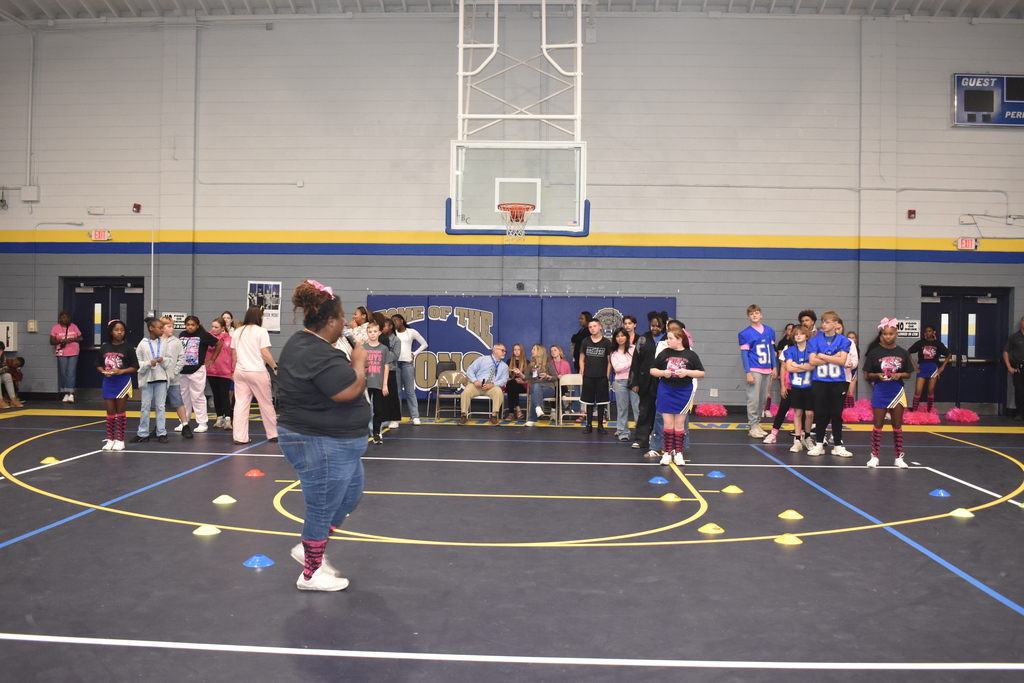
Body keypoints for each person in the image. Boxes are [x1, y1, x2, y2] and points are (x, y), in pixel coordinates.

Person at [277, 279, 369, 592]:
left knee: (350, 494)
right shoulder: (315, 352)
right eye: (342, 317)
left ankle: (309, 547)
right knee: (321, 505)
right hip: (319, 442)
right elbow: (348, 391)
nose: (346, 322)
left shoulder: (312, 346)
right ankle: (310, 573)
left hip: (334, 442)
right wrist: (359, 363)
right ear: (329, 322)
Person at [863, 318, 913, 468]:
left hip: (897, 391)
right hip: (880, 391)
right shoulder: (874, 353)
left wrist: (899, 375)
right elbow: (867, 374)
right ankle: (874, 456)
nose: (888, 336)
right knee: (878, 424)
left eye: (891, 334)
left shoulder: (902, 352)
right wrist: (877, 375)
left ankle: (898, 457)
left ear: (896, 334)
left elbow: (908, 374)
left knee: (897, 424)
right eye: (885, 334)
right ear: (881, 335)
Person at [651, 330, 705, 466]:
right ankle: (667, 453)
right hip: (666, 391)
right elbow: (652, 370)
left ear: (680, 339)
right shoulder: (664, 353)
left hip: (683, 392)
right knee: (668, 424)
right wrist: (663, 373)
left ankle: (679, 453)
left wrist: (687, 372)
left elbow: (701, 372)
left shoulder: (690, 355)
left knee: (679, 424)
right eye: (668, 338)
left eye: (670, 338)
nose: (668, 341)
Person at [807, 311, 853, 457]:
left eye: (827, 322)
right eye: (823, 322)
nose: (824, 325)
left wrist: (822, 355)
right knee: (821, 414)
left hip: (837, 382)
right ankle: (819, 444)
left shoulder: (844, 340)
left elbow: (842, 361)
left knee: (837, 414)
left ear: (835, 324)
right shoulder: (814, 340)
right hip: (820, 381)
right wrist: (833, 357)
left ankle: (838, 445)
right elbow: (812, 361)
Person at [231, 306, 279, 445]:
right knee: (265, 403)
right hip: (257, 371)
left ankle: (240, 437)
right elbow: (265, 353)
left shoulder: (238, 331)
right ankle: (273, 434)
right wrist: (274, 367)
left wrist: (236, 368)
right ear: (259, 317)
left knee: (240, 405)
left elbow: (234, 354)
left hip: (240, 371)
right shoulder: (261, 331)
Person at [95, 320, 138, 451]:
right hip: (108, 382)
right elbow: (97, 364)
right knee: (110, 411)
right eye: (116, 330)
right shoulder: (104, 347)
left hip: (123, 382)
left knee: (120, 411)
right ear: (111, 332)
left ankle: (120, 439)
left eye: (122, 330)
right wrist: (104, 372)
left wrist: (121, 371)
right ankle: (110, 439)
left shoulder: (128, 347)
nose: (119, 332)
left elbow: (135, 366)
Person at [629, 311, 667, 456]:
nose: (655, 327)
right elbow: (636, 361)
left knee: (662, 413)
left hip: (663, 382)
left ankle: (659, 441)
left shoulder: (667, 340)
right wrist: (634, 382)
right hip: (645, 381)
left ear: (663, 325)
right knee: (644, 411)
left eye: (658, 325)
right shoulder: (643, 339)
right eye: (653, 325)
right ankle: (641, 439)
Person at [132, 317, 173, 444]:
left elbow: (170, 360)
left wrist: (163, 360)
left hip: (161, 378)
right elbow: (137, 362)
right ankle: (143, 433)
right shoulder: (143, 344)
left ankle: (162, 432)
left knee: (160, 406)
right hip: (147, 379)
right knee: (145, 406)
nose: (162, 330)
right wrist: (148, 363)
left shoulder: (164, 343)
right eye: (160, 328)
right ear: (151, 328)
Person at [738, 304, 777, 439]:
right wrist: (748, 372)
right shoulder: (745, 333)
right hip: (754, 368)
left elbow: (772, 350)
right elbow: (744, 354)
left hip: (767, 368)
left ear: (761, 314)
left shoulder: (770, 331)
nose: (754, 316)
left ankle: (757, 423)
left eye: (756, 313)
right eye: (751, 314)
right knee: (753, 399)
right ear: (748, 317)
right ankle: (752, 425)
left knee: (762, 399)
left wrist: (774, 366)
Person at [178, 316, 222, 434]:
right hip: (182, 370)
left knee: (197, 396)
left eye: (192, 325)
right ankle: (184, 422)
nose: (190, 327)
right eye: (188, 325)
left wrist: (212, 359)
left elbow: (218, 344)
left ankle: (202, 423)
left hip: (197, 370)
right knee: (183, 397)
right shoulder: (182, 334)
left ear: (197, 325)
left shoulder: (203, 335)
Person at [781, 325, 815, 452]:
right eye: (796, 334)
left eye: (801, 333)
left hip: (810, 386)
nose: (798, 336)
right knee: (798, 413)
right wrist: (805, 366)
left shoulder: (812, 350)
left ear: (806, 335)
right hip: (796, 386)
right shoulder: (790, 351)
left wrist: (798, 365)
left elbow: (813, 367)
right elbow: (789, 368)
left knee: (810, 413)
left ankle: (807, 436)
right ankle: (797, 439)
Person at [391, 313, 428, 426]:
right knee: (396, 392)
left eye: (396, 320)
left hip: (407, 364)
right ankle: (396, 418)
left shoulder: (411, 332)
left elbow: (424, 344)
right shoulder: (392, 334)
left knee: (410, 391)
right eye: (392, 321)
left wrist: (414, 354)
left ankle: (415, 416)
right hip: (395, 364)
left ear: (402, 321)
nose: (394, 323)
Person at [458, 344, 509, 425]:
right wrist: (475, 380)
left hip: (491, 387)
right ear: (495, 350)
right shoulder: (482, 359)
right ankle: (464, 416)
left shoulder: (504, 366)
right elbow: (470, 370)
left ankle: (494, 417)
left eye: (505, 351)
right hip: (477, 385)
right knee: (466, 392)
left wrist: (493, 384)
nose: (504, 353)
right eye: (502, 350)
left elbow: (504, 380)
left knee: (498, 392)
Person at [579, 318, 613, 435]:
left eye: (594, 326)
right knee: (588, 402)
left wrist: (607, 374)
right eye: (590, 327)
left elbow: (610, 360)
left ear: (600, 327)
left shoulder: (606, 343)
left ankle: (600, 425)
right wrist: (583, 372)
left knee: (601, 402)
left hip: (602, 376)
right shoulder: (585, 341)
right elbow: (581, 359)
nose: (592, 328)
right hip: (588, 376)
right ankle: (588, 425)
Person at [363, 320, 394, 444]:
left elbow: (386, 366)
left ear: (379, 333)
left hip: (378, 383)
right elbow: (359, 365)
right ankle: (363, 433)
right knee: (364, 410)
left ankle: (376, 432)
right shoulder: (363, 348)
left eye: (375, 331)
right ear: (367, 333)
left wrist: (385, 384)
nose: (372, 334)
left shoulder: (384, 349)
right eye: (370, 332)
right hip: (366, 384)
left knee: (379, 410)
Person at [908, 325, 951, 413]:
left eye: (930, 331)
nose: (928, 333)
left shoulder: (937, 343)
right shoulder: (920, 343)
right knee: (918, 390)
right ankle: (914, 411)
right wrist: (914, 366)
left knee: (931, 390)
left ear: (933, 332)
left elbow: (949, 354)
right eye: (926, 331)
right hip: (922, 368)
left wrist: (942, 367)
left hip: (933, 368)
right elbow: (908, 352)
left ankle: (929, 411)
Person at [159, 316, 190, 438]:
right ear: (162, 328)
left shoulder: (176, 342)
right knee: (159, 404)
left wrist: (175, 372)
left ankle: (185, 424)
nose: (172, 328)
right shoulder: (157, 341)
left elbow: (182, 359)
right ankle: (159, 427)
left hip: (173, 379)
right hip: (159, 379)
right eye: (169, 326)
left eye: (172, 326)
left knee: (178, 401)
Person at [610, 327, 638, 442]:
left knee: (637, 408)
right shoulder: (614, 353)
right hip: (620, 382)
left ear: (627, 337)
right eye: (617, 336)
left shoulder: (634, 349)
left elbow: (638, 364)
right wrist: (631, 362)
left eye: (622, 335)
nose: (620, 338)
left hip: (634, 381)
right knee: (622, 408)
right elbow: (616, 368)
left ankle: (641, 433)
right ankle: (623, 432)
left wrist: (624, 366)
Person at [207, 317, 235, 430]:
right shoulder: (208, 338)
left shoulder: (230, 340)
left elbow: (233, 356)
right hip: (212, 371)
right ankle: (219, 417)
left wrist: (233, 370)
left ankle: (228, 419)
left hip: (225, 371)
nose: (213, 329)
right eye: (212, 326)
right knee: (216, 395)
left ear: (222, 328)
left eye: (216, 327)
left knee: (225, 394)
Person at [50, 311, 83, 403]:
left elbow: (81, 338)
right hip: (62, 352)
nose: (65, 319)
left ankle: (71, 393)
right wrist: (62, 341)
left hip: (73, 351)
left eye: (67, 317)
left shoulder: (74, 326)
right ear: (59, 319)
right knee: (63, 373)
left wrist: (73, 339)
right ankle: (65, 393)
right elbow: (52, 341)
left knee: (71, 372)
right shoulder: (55, 328)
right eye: (63, 317)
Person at [377, 314, 403, 429]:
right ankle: (383, 417)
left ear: (390, 327)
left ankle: (395, 418)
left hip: (391, 369)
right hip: (380, 370)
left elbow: (395, 356)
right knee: (382, 396)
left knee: (392, 394)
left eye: (385, 326)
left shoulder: (396, 340)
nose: (383, 329)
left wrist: (384, 352)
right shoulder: (379, 339)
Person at [525, 344, 559, 427]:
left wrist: (547, 376)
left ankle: (532, 419)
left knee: (535, 390)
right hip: (536, 388)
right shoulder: (530, 365)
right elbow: (525, 378)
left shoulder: (549, 364)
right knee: (536, 387)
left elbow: (555, 377)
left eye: (534, 349)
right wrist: (519, 373)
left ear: (540, 351)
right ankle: (538, 407)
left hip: (548, 389)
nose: (531, 351)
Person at [1004, 315, 1024, 420]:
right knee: (1019, 391)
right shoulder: (1014, 337)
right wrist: (1009, 367)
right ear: (1021, 322)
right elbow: (1006, 352)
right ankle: (1020, 413)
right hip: (1019, 368)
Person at [505, 343, 529, 421]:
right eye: (515, 350)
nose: (516, 351)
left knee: (512, 385)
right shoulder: (509, 362)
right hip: (511, 385)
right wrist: (507, 378)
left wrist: (522, 381)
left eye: (518, 349)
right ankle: (518, 409)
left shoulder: (527, 362)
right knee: (512, 383)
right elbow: (504, 375)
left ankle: (511, 413)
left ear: (522, 351)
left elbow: (529, 378)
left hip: (523, 386)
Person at [0, 345, 24, 409]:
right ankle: (0, 400)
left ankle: (13, 399)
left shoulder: (3, 358)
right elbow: (4, 369)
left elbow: (5, 369)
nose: (1, 352)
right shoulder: (7, 360)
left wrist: (18, 371)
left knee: (7, 376)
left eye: (2, 350)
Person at [845, 329, 860, 408]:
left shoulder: (856, 348)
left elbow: (856, 361)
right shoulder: (845, 345)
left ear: (856, 339)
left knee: (851, 391)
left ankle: (851, 409)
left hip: (853, 370)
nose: (851, 339)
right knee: (846, 392)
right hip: (845, 370)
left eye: (853, 337)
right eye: (849, 337)